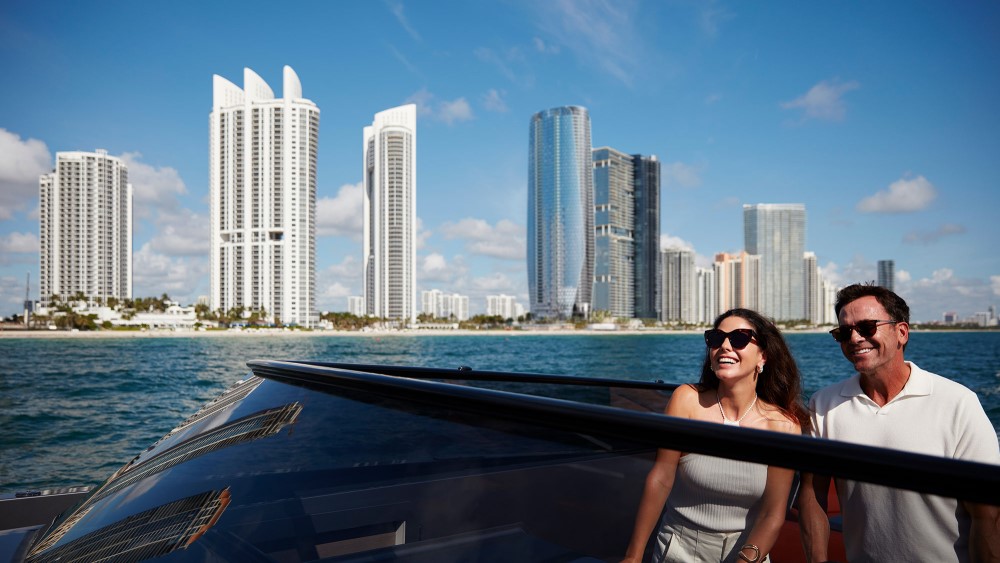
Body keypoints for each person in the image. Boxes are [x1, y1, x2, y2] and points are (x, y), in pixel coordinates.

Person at [797, 283, 1000, 562]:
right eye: (844, 332)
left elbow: (986, 514)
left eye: (867, 327)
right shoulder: (823, 405)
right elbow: (812, 492)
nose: (855, 338)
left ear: (901, 332)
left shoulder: (957, 403)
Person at [622, 308, 809, 563]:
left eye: (739, 338)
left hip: (748, 553)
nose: (725, 346)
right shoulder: (687, 400)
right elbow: (660, 479)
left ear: (763, 356)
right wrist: (632, 557)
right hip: (679, 550)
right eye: (716, 338)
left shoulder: (783, 425)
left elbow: (772, 515)